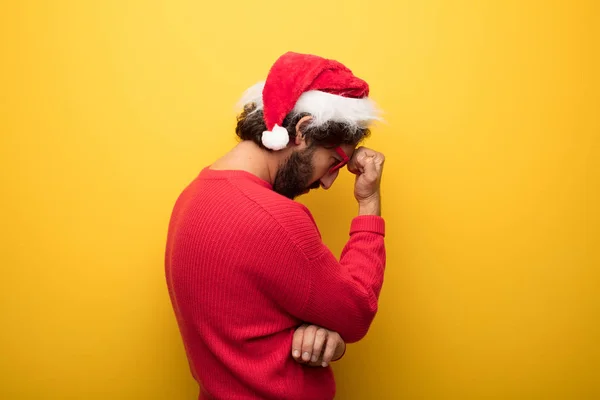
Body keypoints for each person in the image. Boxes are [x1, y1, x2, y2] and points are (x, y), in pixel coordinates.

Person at [165, 51, 387, 400]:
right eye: (334, 162)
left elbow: (249, 317)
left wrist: (316, 333)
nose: (328, 183)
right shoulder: (275, 219)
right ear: (301, 130)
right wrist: (369, 202)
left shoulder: (193, 196)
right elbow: (357, 312)